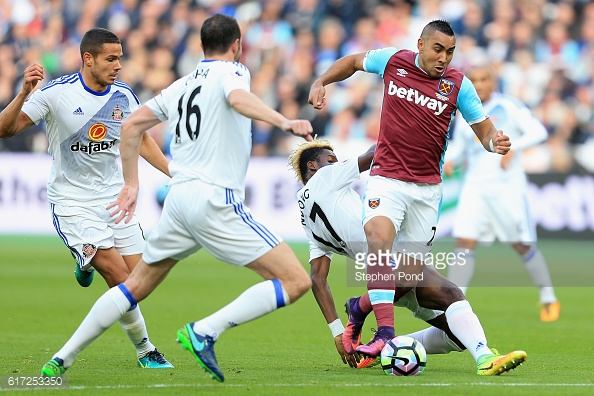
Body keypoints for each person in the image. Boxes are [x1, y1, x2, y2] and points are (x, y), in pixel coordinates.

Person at [39, 14, 313, 383]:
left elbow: (134, 124)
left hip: (179, 200)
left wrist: (132, 184)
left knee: (133, 285)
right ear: (237, 45)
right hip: (214, 199)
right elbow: (237, 97)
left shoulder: (182, 84)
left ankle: (61, 358)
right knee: (297, 281)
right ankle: (205, 331)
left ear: (201, 45)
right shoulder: (234, 72)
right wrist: (283, 121)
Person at [308, 19, 511, 358]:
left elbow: (484, 130)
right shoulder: (393, 60)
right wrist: (322, 80)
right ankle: (386, 334)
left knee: (407, 275)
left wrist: (495, 143)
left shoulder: (458, 85)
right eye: (437, 49)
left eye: (450, 52)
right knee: (378, 239)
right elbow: (353, 61)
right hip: (386, 179)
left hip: (426, 190)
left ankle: (359, 308)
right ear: (420, 44)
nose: (444, 58)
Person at [0, 28, 173, 369]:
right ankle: (146, 350)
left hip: (114, 200)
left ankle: (84, 263)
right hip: (72, 202)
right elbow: (6, 129)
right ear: (88, 59)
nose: (118, 66)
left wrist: (173, 173)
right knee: (120, 279)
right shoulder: (56, 93)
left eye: (120, 58)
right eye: (111, 59)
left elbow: (141, 138)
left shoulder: (123, 95)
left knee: (139, 282)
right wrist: (21, 94)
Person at [289, 139, 527, 375]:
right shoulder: (324, 177)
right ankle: (485, 358)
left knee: (458, 335)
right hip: (393, 262)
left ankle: (388, 349)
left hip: (383, 280)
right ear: (312, 166)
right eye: (330, 160)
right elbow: (375, 153)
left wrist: (337, 332)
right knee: (451, 294)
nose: (337, 164)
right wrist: (396, 129)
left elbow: (317, 278)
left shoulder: (307, 221)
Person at [444, 64, 560, 322]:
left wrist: (514, 147)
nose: (480, 84)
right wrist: (452, 161)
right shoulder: (466, 111)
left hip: (506, 187)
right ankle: (453, 303)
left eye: (484, 79)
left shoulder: (508, 107)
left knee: (521, 244)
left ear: (493, 82)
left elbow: (538, 131)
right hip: (475, 186)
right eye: (474, 80)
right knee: (464, 241)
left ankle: (548, 296)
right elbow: (461, 149)